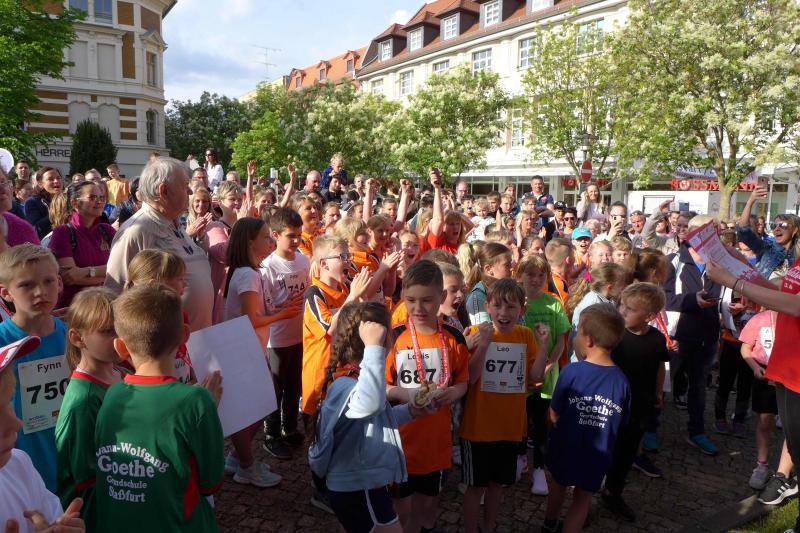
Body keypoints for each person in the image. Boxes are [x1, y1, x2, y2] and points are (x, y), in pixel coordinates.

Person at [94, 284, 224, 531]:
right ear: (184, 335)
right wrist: (208, 408)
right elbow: (211, 482)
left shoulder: (112, 394)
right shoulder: (196, 401)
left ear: (120, 348)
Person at [309, 302, 417, 533]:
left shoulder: (360, 379)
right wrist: (374, 348)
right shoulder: (346, 384)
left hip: (362, 482)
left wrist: (411, 411)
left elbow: (375, 419)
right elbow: (371, 404)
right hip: (357, 487)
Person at [385, 260, 470, 533]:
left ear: (442, 297)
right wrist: (405, 393)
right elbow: (381, 387)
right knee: (402, 508)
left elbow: (463, 382)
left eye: (427, 300)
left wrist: (452, 392)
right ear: (403, 296)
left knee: (429, 504)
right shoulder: (393, 338)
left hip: (436, 441)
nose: (418, 308)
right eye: (411, 300)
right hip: (401, 443)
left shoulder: (454, 338)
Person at [461, 279, 549, 533]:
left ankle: (489, 527)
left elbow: (535, 377)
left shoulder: (525, 336)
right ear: (487, 306)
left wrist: (544, 345)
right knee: (475, 487)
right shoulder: (475, 332)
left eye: (511, 307)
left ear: (522, 309)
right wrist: (483, 345)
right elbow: (470, 378)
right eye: (498, 305)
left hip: (509, 427)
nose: (504, 313)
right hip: (478, 428)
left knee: (497, 485)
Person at [223, 217, 299, 487]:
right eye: (266, 237)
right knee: (254, 406)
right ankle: (245, 464)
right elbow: (251, 319)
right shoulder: (248, 274)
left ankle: (238, 458)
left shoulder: (249, 272)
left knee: (262, 401)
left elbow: (255, 312)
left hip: (246, 347)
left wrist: (279, 309)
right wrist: (282, 315)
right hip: (243, 349)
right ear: (250, 242)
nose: (271, 241)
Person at [544, 303, 630, 533]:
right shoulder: (622, 381)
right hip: (598, 453)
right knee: (583, 499)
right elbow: (622, 421)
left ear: (589, 340)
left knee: (558, 484)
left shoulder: (572, 371)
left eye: (577, 331)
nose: (574, 336)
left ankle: (549, 523)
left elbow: (554, 411)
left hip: (566, 445)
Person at [105, 157, 214, 332]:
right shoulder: (137, 231)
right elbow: (114, 294)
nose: (189, 191)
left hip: (198, 340)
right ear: (164, 191)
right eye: (185, 185)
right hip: (165, 344)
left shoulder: (173, 222)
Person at [0, 335, 87, 533]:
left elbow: (51, 517)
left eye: (9, 401)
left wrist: (59, 528)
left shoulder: (18, 465)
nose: (16, 424)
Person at [0, 244, 68, 491]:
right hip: (21, 469)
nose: (41, 292)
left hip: (70, 464)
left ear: (59, 283)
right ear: (6, 293)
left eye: (48, 281)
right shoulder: (2, 342)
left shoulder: (72, 336)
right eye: (27, 285)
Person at [601, 283, 668, 522]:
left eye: (630, 309)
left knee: (626, 452)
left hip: (639, 405)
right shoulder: (614, 336)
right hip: (610, 404)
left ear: (649, 316)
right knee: (602, 450)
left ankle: (613, 493)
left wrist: (658, 392)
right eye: (622, 306)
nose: (622, 311)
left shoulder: (657, 339)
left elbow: (660, 366)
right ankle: (585, 497)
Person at [55, 288, 121, 529]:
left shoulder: (120, 373)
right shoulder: (83, 402)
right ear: (77, 338)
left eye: (121, 328)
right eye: (108, 331)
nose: (119, 338)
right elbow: (87, 477)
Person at [665, 214, 722, 456]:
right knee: (663, 385)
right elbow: (662, 298)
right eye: (710, 231)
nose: (715, 237)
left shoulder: (719, 263)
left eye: (716, 231)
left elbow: (726, 296)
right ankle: (649, 430)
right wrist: (691, 301)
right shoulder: (673, 261)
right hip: (677, 336)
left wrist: (731, 310)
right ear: (694, 234)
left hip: (707, 337)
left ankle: (696, 432)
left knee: (698, 387)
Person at [516, 255, 570, 496]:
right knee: (519, 420)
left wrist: (550, 363)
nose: (536, 279)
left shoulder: (554, 303)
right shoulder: (517, 303)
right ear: (520, 276)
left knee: (541, 424)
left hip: (547, 376)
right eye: (531, 274)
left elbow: (560, 340)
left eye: (541, 275)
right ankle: (519, 458)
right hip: (520, 374)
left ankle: (539, 468)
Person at [301, 236, 369, 423]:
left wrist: (361, 298)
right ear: (323, 264)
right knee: (317, 434)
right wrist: (353, 297)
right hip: (319, 378)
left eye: (348, 256)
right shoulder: (314, 293)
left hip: (342, 373)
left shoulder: (345, 288)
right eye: (342, 257)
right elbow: (330, 329)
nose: (348, 261)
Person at [261, 208, 311, 459]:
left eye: (299, 235)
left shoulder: (303, 260)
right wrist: (283, 308)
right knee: (275, 389)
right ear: (275, 235)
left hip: (300, 335)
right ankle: (271, 434)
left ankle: (289, 428)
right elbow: (264, 306)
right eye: (291, 236)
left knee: (294, 386)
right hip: (277, 338)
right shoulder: (268, 266)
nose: (296, 241)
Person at [737, 307, 796, 495]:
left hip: (790, 374)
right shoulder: (760, 319)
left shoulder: (794, 318)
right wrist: (755, 368)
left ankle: (783, 471)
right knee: (764, 421)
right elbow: (745, 348)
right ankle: (761, 465)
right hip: (764, 374)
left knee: (791, 425)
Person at [48, 181, 115, 308]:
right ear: (75, 203)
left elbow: (122, 268)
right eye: (92, 197)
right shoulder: (62, 233)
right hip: (74, 309)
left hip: (105, 306)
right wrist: (107, 275)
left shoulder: (107, 230)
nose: (99, 202)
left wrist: (88, 272)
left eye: (102, 197)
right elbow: (70, 277)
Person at [737, 186, 799, 281]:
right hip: (759, 290)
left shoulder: (797, 255)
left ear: (795, 230)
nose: (776, 229)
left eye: (783, 225)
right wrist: (750, 201)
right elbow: (743, 231)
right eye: (774, 225)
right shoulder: (766, 247)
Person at [206, 181, 242, 324]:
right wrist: (240, 226)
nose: (237, 203)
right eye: (232, 199)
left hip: (245, 291)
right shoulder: (215, 227)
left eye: (240, 199)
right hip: (225, 297)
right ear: (220, 202)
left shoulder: (245, 225)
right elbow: (224, 255)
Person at [462, 242, 513, 325]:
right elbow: (485, 331)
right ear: (488, 269)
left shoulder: (510, 290)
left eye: (511, 263)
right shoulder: (478, 298)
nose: (511, 268)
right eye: (507, 265)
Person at [25, 167, 64, 239]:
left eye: (58, 178)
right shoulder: (32, 202)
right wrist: (55, 212)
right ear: (40, 183)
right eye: (50, 179)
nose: (56, 181)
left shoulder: (69, 200)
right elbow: (36, 229)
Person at [0, 179, 40, 246]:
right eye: (28, 189)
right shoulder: (16, 208)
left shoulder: (22, 227)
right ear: (17, 191)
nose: (2, 189)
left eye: (3, 182)